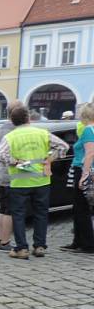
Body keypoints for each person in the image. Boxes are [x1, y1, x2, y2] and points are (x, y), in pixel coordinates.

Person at [0, 102, 68, 259]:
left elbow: (0, 155)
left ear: (12, 121)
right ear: (28, 117)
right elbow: (63, 146)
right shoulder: (42, 133)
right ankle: (40, 246)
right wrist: (50, 159)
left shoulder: (10, 136)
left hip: (19, 182)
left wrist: (14, 161)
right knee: (41, 214)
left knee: (19, 215)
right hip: (41, 181)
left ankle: (21, 248)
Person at [61, 102, 94, 253]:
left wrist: (84, 176)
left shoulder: (88, 129)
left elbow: (90, 153)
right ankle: (78, 241)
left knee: (82, 209)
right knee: (80, 207)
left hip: (83, 170)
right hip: (86, 169)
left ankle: (87, 244)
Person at [0, 104, 18, 251]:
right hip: (11, 172)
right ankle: (5, 241)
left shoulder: (2, 127)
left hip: (2, 172)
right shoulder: (13, 130)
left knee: (3, 208)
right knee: (9, 209)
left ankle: (1, 239)